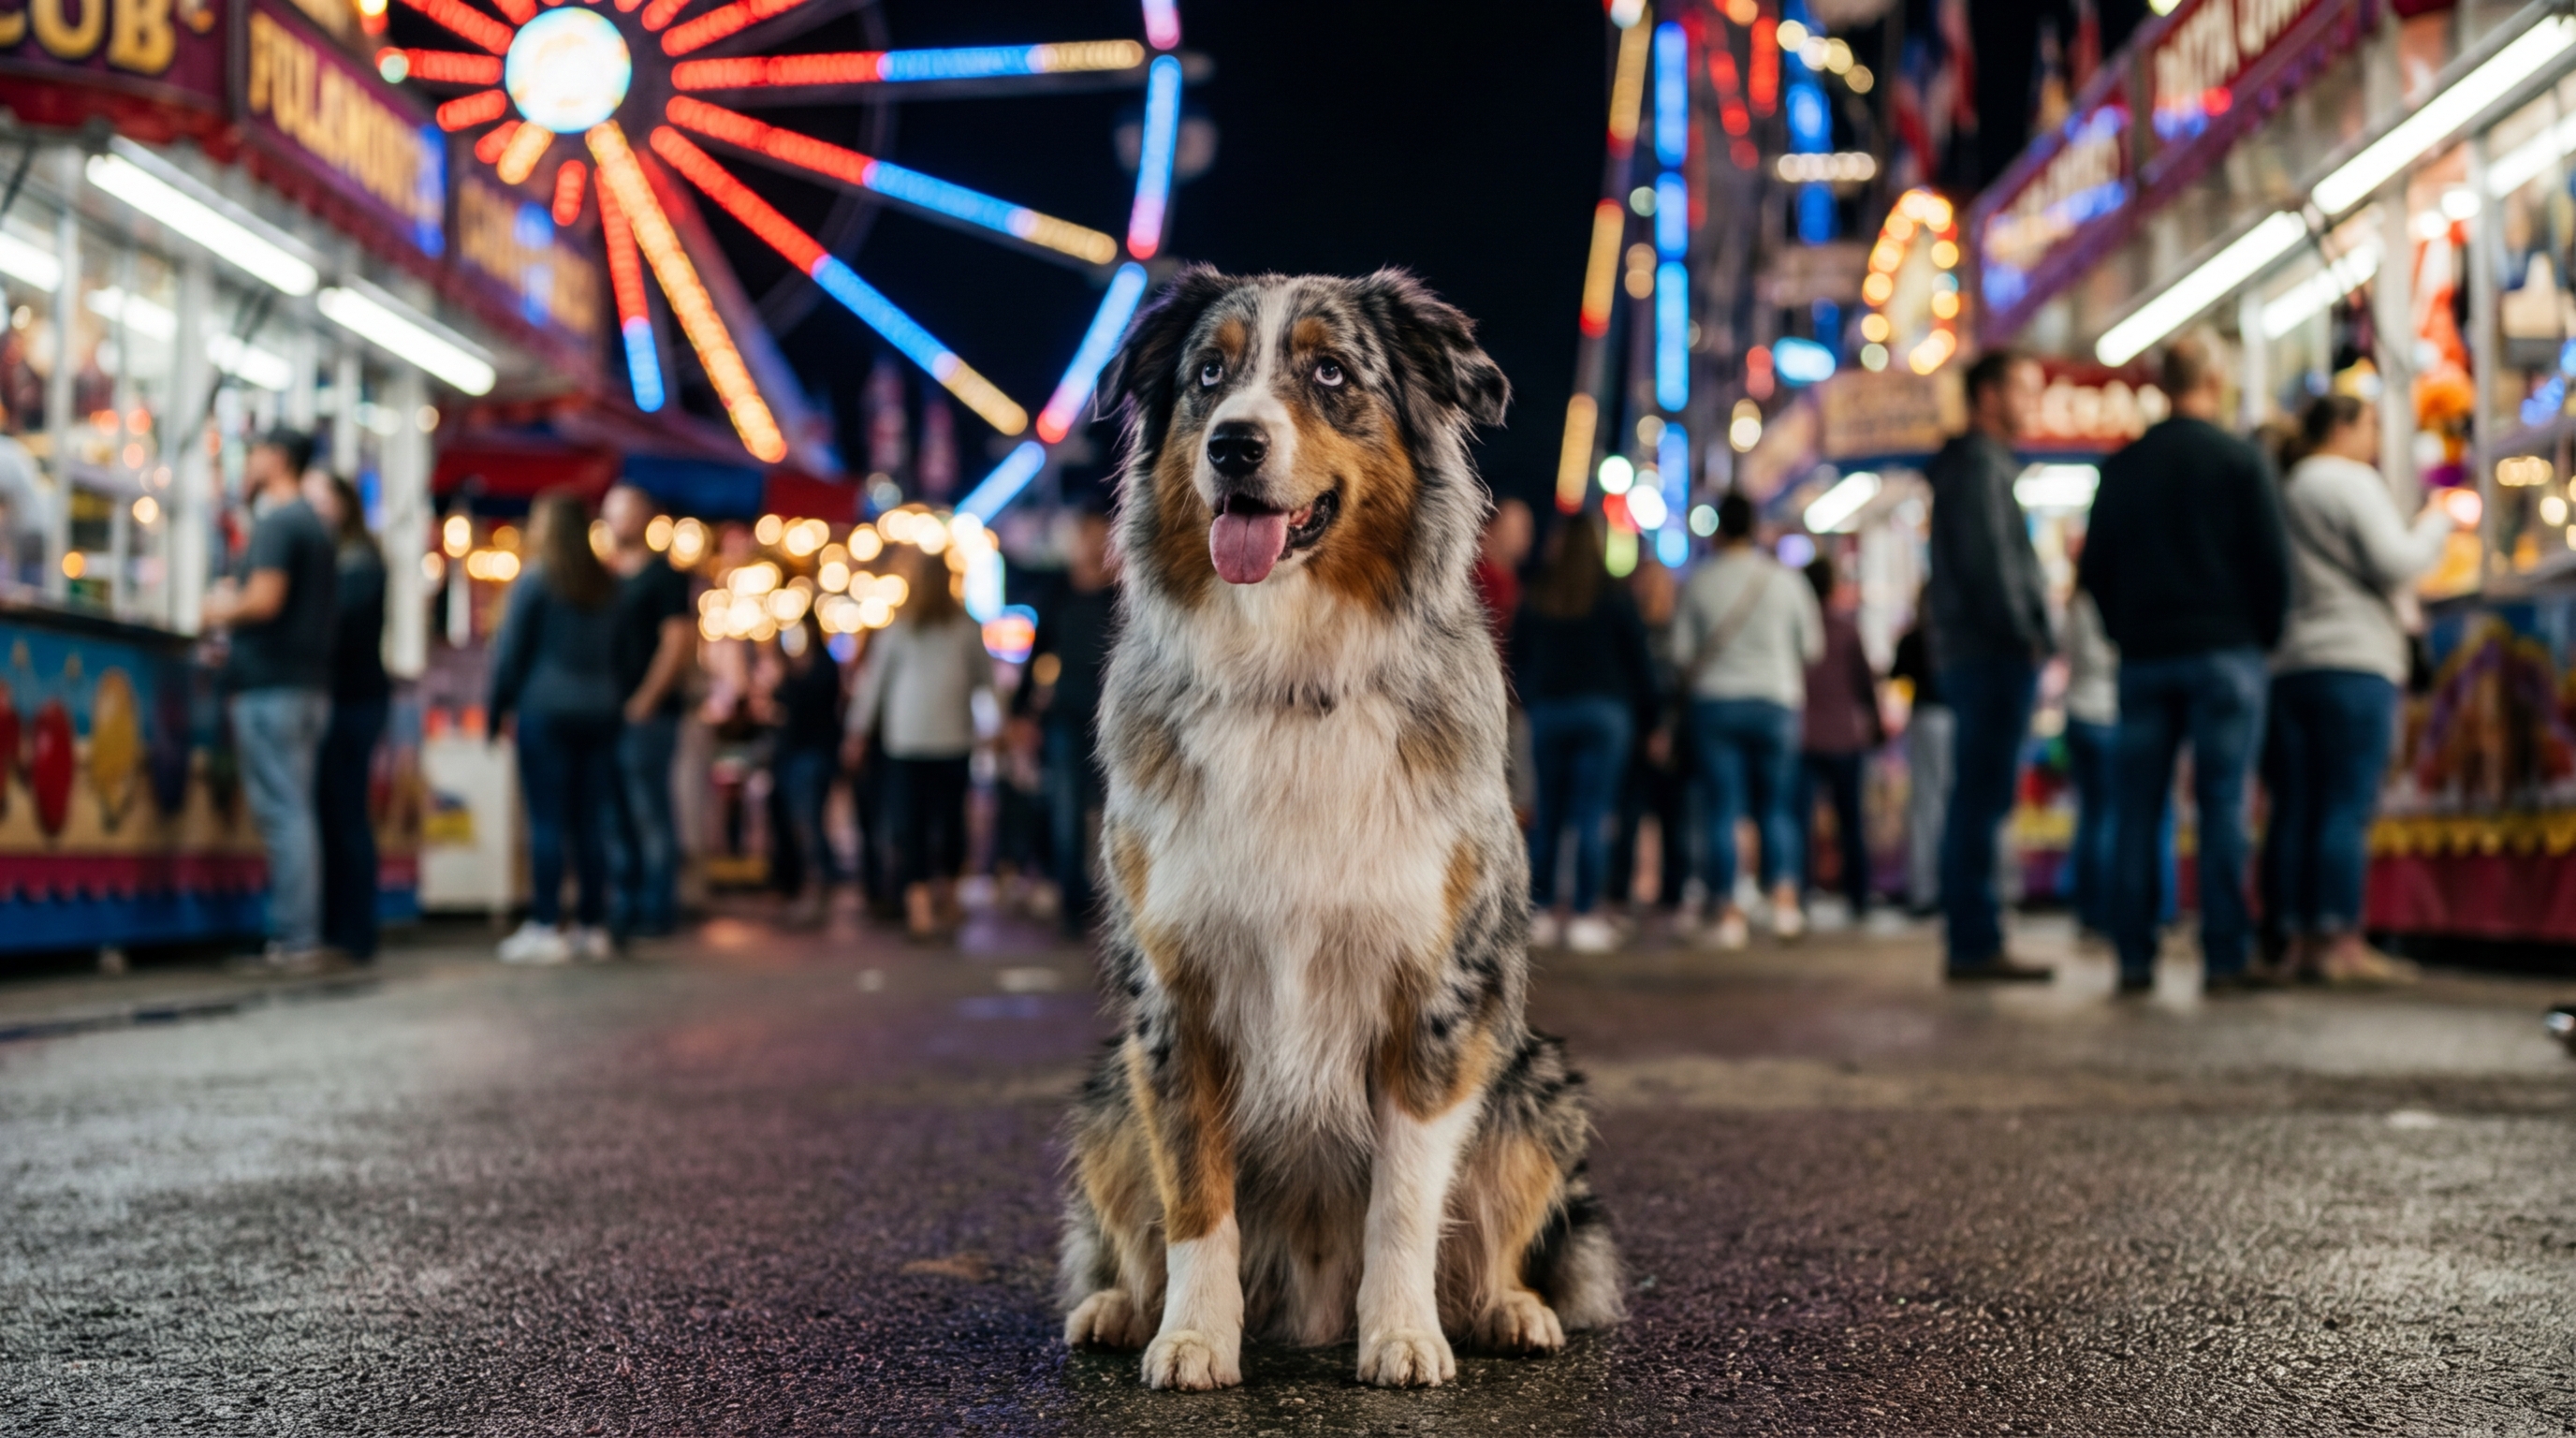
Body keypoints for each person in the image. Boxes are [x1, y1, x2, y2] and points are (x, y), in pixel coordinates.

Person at [2080, 335, 2292, 995]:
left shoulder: (2124, 468)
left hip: (2144, 658)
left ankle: (2134, 958)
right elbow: (2272, 563)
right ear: (2213, 379)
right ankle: (2224, 955)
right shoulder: (2238, 459)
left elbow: (2094, 572)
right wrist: (2260, 635)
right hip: (2226, 652)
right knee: (2222, 804)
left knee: (2137, 810)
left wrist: (2126, 632)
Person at [2264, 392, 2465, 985]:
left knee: (2298, 806)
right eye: (2372, 424)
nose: (2377, 438)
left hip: (2293, 663)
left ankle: (2299, 940)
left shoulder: (2288, 487)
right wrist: (2439, 522)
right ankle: (2341, 940)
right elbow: (2395, 562)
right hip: (2354, 659)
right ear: (2344, 427)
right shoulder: (2348, 481)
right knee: (2345, 805)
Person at [1925, 349, 2055, 982]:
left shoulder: (1979, 464)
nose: (2035, 401)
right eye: (2024, 388)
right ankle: (1976, 940)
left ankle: (1975, 936)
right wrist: (2026, 633)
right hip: (1991, 655)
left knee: (1977, 798)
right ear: (1988, 397)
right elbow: (1990, 564)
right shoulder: (1978, 464)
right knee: (1980, 799)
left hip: (1981, 653)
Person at [201, 429, 337, 969]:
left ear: (276, 460)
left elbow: (264, 598)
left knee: (283, 811)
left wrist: (215, 608)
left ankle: (293, 935)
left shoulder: (281, 522)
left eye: (255, 451)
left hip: (272, 684)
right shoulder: (316, 525)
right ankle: (297, 932)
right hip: (307, 686)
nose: (248, 461)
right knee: (296, 807)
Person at [1677, 492, 1824, 948]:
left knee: (1725, 809)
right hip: (1777, 701)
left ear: (1719, 529)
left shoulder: (1700, 581)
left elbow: (1682, 653)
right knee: (1778, 809)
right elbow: (1812, 647)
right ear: (1756, 526)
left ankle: (1732, 911)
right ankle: (1783, 905)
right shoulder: (1785, 580)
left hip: (1717, 704)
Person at [488, 491, 624, 964]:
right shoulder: (605, 583)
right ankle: (593, 924)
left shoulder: (537, 581)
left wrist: (495, 708)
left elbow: (511, 654)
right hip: (600, 710)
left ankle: (547, 924)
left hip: (546, 709)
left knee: (547, 819)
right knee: (589, 822)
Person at [1512, 515, 1659, 951]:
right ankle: (1583, 913)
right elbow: (1639, 661)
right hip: (1606, 712)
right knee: (1592, 816)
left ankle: (1539, 910)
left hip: (1552, 710)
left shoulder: (1540, 592)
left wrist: (1532, 695)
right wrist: (1651, 719)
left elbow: (1516, 653)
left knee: (1549, 814)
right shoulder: (1614, 595)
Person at [843, 543, 991, 941]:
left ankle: (920, 908)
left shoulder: (900, 627)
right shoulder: (965, 626)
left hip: (906, 740)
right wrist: (1000, 724)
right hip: (951, 738)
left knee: (911, 824)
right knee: (949, 821)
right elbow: (986, 681)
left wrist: (857, 733)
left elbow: (874, 685)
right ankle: (946, 895)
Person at [1013, 500, 1120, 937]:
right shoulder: (1057, 593)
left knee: (1119, 813)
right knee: (1067, 810)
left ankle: (1117, 901)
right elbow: (1036, 659)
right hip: (1067, 719)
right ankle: (1072, 903)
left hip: (1117, 722)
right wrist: (1019, 714)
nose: (1092, 547)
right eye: (1086, 538)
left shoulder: (1126, 595)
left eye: (1100, 538)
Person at [601, 484, 695, 939]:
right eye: (610, 512)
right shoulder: (607, 577)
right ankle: (627, 902)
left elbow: (678, 642)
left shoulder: (664, 577)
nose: (616, 521)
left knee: (649, 810)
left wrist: (646, 700)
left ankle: (658, 906)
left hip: (649, 716)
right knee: (617, 814)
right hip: (609, 713)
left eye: (624, 511)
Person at [307, 472, 388, 962]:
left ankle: (354, 931)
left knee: (345, 815)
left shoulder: (358, 564)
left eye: (321, 502)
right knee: (335, 814)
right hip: (346, 697)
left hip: (353, 700)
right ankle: (340, 927)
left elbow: (338, 630)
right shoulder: (344, 560)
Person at [1798, 554, 1884, 929]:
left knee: (1799, 821)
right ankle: (1858, 897)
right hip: (1845, 738)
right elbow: (1866, 684)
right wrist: (1877, 724)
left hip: (1804, 736)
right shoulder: (1847, 629)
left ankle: (1798, 894)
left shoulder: (1797, 629)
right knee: (1850, 822)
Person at [1606, 560, 1691, 919]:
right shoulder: (1675, 632)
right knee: (1671, 818)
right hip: (1664, 733)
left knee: (1634, 816)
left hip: (1641, 732)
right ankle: (1670, 893)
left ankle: (1622, 892)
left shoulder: (1631, 629)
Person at [772, 611, 845, 929]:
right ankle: (807, 888)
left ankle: (818, 891)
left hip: (813, 754)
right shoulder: (799, 667)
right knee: (799, 825)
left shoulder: (824, 667)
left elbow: (804, 702)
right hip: (794, 753)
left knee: (810, 824)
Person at [2061, 580, 2119, 943]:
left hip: (2077, 712)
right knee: (2107, 817)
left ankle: (2086, 908)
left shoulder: (2074, 604)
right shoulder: (2112, 597)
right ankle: (2103, 910)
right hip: (2107, 712)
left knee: (2088, 816)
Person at [1888, 612, 1948, 918]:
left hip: (1925, 717)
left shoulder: (1914, 636)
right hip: (1954, 716)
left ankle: (1924, 891)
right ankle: (1946, 889)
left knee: (1925, 806)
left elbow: (1896, 674)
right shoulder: (1956, 634)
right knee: (1953, 805)